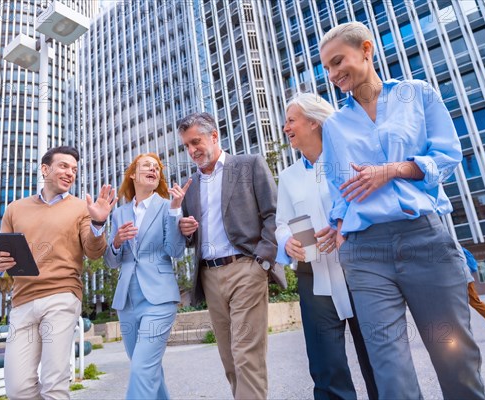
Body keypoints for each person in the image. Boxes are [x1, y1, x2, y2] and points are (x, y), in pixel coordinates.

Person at [319, 21, 485, 399]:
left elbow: (446, 156)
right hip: (365, 254)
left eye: (337, 61)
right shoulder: (334, 125)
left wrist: (393, 170)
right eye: (326, 68)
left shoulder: (417, 94)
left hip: (425, 240)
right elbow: (338, 189)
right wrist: (338, 225)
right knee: (389, 368)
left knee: (455, 357)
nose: (332, 74)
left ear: (366, 49)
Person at [0, 146, 115, 400]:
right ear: (45, 169)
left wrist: (98, 223)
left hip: (62, 295)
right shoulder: (15, 208)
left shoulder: (81, 208)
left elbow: (93, 251)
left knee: (53, 383)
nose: (70, 173)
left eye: (74, 169)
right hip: (22, 300)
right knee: (17, 387)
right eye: (64, 166)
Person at [276, 92, 377, 399]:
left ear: (314, 122)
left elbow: (369, 204)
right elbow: (281, 223)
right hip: (314, 277)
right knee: (325, 364)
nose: (285, 127)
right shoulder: (288, 176)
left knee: (378, 356)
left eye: (291, 120)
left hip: (360, 269)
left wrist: (342, 228)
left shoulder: (349, 160)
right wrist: (286, 242)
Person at [178, 112, 277, 399]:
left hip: (246, 268)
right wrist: (185, 230)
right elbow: (191, 237)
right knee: (230, 360)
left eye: (196, 141)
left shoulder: (248, 165)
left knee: (246, 353)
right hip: (209, 275)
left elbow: (273, 213)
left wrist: (262, 262)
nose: (192, 150)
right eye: (186, 145)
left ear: (214, 136)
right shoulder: (191, 185)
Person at [103, 153, 189, 399]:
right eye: (146, 166)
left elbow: (175, 251)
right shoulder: (120, 213)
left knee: (142, 367)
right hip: (127, 301)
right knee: (147, 368)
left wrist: (175, 212)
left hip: (159, 298)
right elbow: (111, 261)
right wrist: (117, 242)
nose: (154, 169)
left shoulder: (167, 206)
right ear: (132, 174)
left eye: (157, 168)